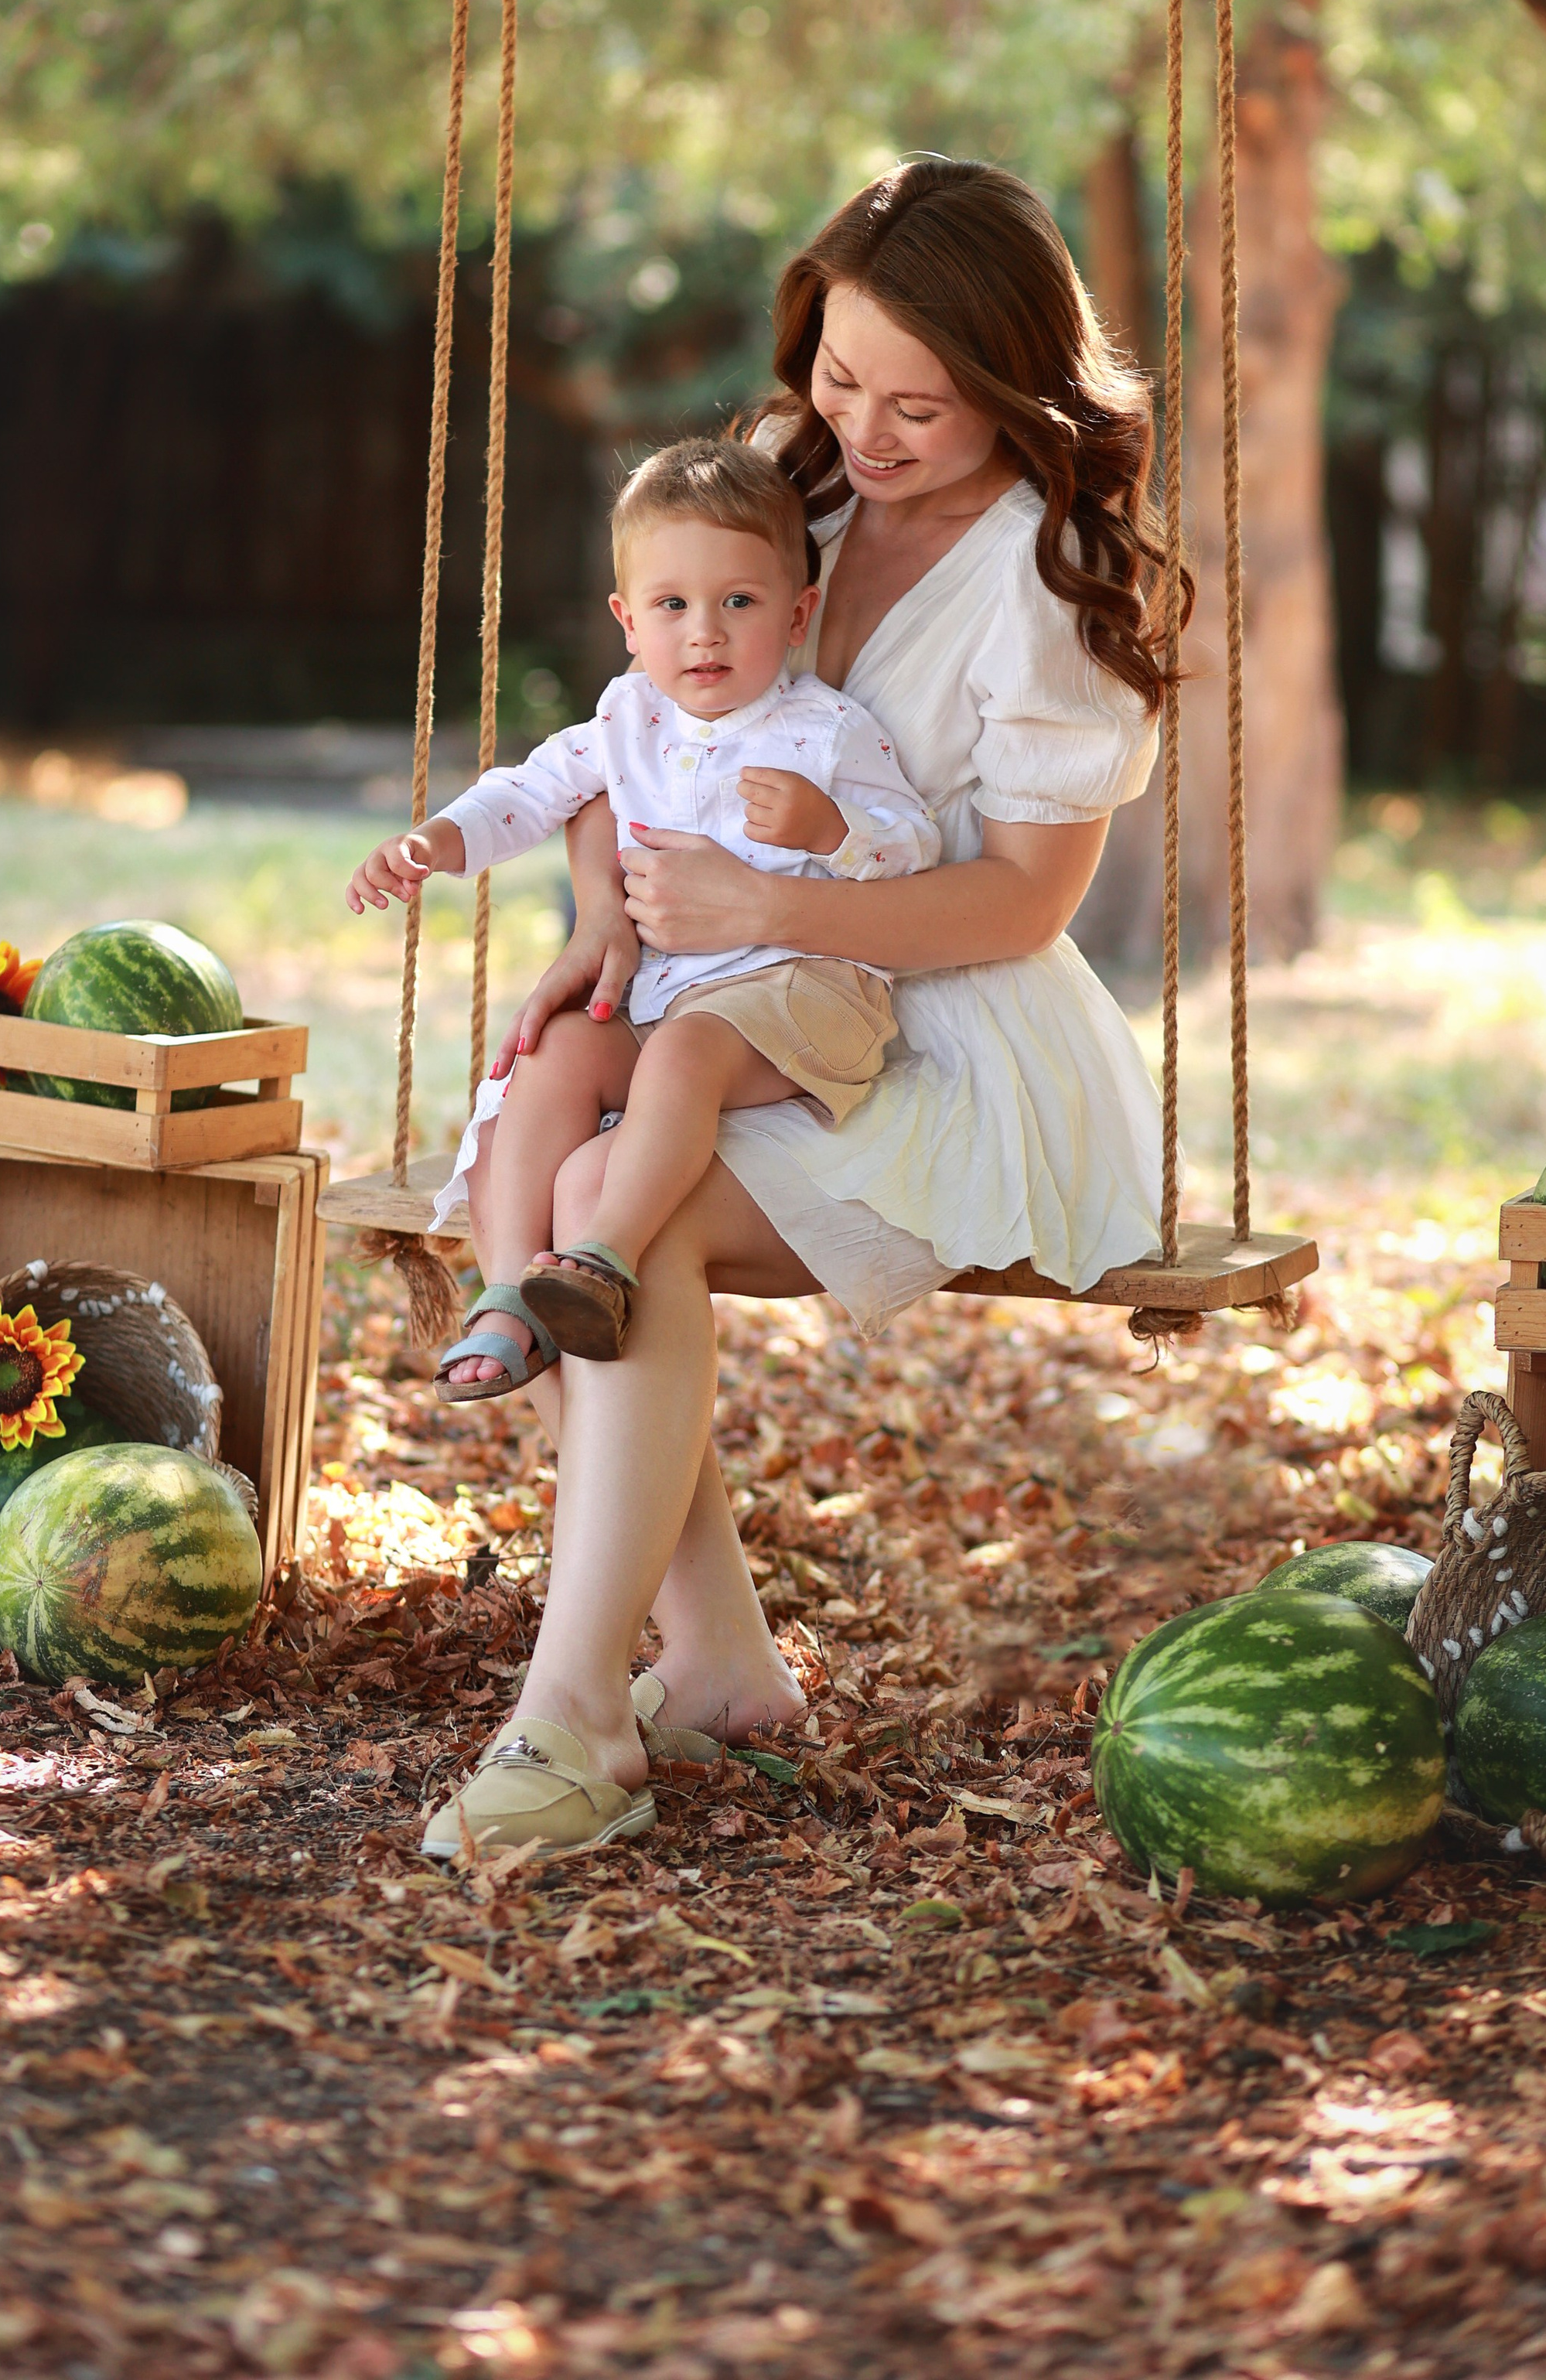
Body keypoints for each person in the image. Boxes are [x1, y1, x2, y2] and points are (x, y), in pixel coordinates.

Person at [415, 157, 1182, 1863]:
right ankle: (715, 1667)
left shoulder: (1049, 572)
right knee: (544, 1174)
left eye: (921, 404)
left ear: (1015, 387)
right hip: (729, 990)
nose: (868, 430)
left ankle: (574, 1717)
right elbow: (633, 733)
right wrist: (599, 910)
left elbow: (1022, 902)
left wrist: (773, 905)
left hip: (951, 1031)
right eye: (841, 379)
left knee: (622, 1210)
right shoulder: (787, 483)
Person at [346, 437, 940, 1387]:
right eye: (672, 606)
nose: (704, 633)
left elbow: (913, 847)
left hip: (805, 994)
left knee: (685, 1049)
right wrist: (436, 843)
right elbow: (527, 791)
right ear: (627, 620)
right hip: (667, 997)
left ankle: (603, 1258)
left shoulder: (827, 734)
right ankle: (509, 1296)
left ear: (797, 614)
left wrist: (832, 832)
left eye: (738, 603)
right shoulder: (628, 717)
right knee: (554, 1050)